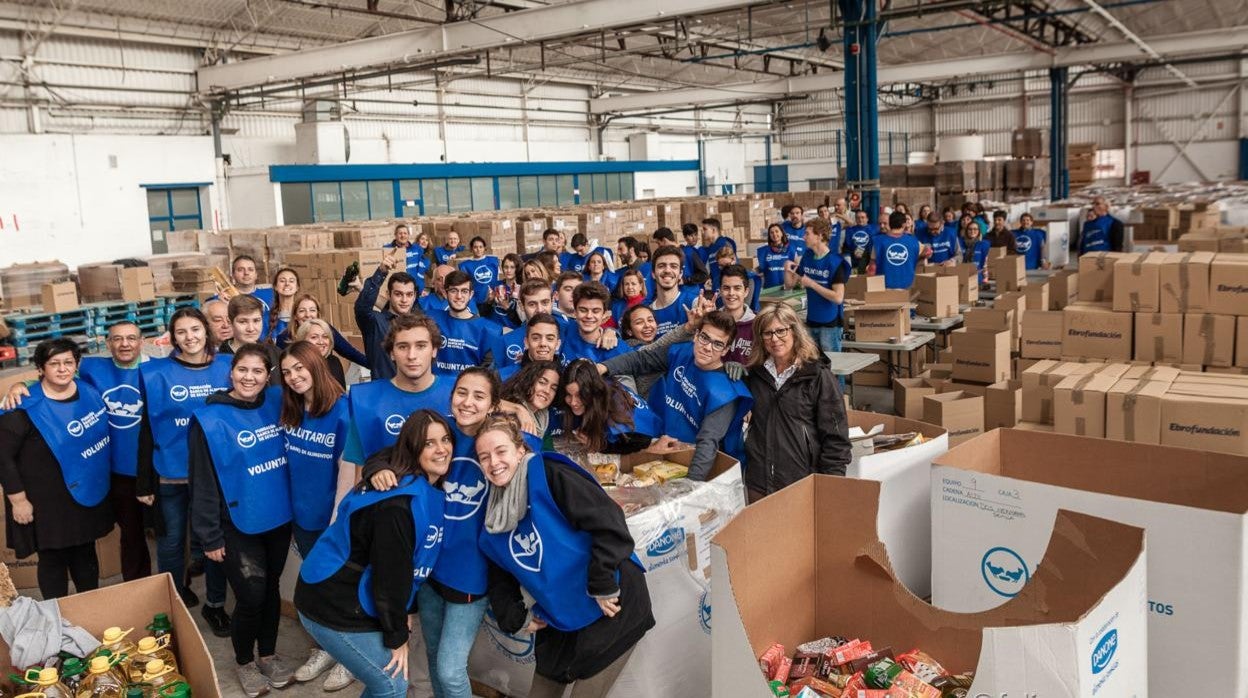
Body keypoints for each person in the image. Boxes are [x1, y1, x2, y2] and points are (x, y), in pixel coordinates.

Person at [364, 369, 539, 698]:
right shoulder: (439, 430)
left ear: (492, 405)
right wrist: (378, 469)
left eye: (478, 396)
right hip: (429, 571)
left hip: (471, 578)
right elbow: (391, 454)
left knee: (449, 668)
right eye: (462, 392)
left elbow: (536, 475)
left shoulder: (498, 440)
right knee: (432, 656)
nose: (467, 402)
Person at [476, 415, 653, 698]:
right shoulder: (492, 517)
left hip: (611, 603)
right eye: (484, 457)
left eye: (501, 451)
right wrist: (515, 617)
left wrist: (602, 583)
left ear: (520, 450)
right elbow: (499, 576)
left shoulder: (548, 473)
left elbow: (608, 521)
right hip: (560, 616)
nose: (493, 463)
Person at [296, 410, 448, 698]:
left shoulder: (416, 482)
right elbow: (391, 576)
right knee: (392, 683)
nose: (441, 449)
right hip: (332, 601)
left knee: (383, 683)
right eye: (429, 443)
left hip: (351, 593)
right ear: (413, 449)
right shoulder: (398, 506)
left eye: (445, 440)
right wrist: (397, 637)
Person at [188, 344, 295, 696]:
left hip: (277, 516)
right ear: (231, 371)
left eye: (258, 372)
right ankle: (244, 661)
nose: (249, 378)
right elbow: (202, 481)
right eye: (243, 370)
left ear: (269, 376)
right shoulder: (208, 419)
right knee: (250, 596)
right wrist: (210, 537)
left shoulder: (279, 401)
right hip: (235, 521)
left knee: (271, 590)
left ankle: (268, 654)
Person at [136, 308, 232, 631]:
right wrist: (144, 482)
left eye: (195, 329)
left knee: (214, 543)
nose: (190, 337)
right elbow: (146, 429)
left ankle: (215, 604)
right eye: (181, 332)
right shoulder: (154, 373)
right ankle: (174, 601)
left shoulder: (227, 367)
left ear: (206, 331)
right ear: (172, 337)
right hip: (171, 474)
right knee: (171, 542)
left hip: (217, 475)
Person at [0, 338, 113, 599]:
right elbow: (3, 457)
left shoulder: (89, 393)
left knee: (85, 554)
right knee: (52, 560)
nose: (62, 369)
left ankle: (90, 608)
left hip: (85, 492)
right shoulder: (21, 407)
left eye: (68, 362)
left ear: (76, 365)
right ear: (40, 368)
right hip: (45, 502)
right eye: (54, 364)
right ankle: (56, 615)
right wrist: (18, 501)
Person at [278, 341, 359, 691]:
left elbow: (351, 471)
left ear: (316, 366)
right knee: (319, 590)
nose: (294, 377)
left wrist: (337, 522)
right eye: (286, 372)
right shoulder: (292, 411)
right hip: (301, 518)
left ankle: (350, 658)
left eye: (299, 368)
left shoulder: (342, 412)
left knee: (340, 591)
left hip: (332, 522)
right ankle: (327, 648)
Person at [601, 310, 752, 479]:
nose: (707, 347)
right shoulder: (681, 352)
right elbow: (641, 360)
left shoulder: (726, 392)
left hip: (710, 468)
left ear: (725, 350)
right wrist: (603, 367)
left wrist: (690, 488)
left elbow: (707, 444)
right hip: (671, 453)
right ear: (696, 335)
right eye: (705, 338)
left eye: (718, 344)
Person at [743, 304, 851, 503]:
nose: (775, 339)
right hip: (758, 482)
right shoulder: (754, 374)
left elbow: (836, 439)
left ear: (795, 331)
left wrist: (831, 484)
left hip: (800, 481)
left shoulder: (818, 376)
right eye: (767, 333)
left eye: (781, 330)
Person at [345, 315, 454, 464]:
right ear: (391, 353)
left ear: (434, 350)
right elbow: (358, 472)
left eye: (421, 346)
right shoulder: (366, 401)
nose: (411, 356)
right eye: (403, 347)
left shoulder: (458, 394)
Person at [558, 360, 658, 455]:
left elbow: (640, 443)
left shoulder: (615, 406)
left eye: (580, 395)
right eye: (568, 394)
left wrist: (600, 446)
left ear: (593, 391)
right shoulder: (597, 393)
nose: (573, 402)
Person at [787, 218, 849, 354]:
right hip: (812, 320)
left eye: (807, 234)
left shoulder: (835, 262)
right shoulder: (807, 257)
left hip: (830, 324)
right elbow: (790, 284)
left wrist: (812, 284)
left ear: (820, 236)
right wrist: (787, 269)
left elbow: (838, 297)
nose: (803, 237)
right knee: (812, 365)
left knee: (832, 367)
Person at [354, 255, 419, 381]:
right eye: (398, 294)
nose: (404, 300)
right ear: (388, 295)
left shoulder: (420, 324)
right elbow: (362, 308)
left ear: (414, 296)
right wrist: (381, 271)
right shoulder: (375, 322)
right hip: (383, 393)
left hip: (413, 393)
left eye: (409, 294)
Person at [276, 294, 369, 370]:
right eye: (302, 311)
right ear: (295, 315)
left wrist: (376, 367)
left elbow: (350, 352)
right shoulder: (283, 338)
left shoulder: (326, 329)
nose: (308, 315)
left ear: (318, 314)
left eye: (312, 310)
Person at [426, 271, 489, 377]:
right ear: (445, 294)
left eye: (464, 291)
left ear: (471, 294)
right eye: (453, 291)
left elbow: (486, 373)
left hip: (466, 390)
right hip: (436, 389)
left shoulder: (485, 329)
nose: (459, 296)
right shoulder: (431, 318)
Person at [561, 282, 632, 365]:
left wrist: (612, 331)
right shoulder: (563, 329)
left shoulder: (619, 350)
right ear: (575, 312)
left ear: (605, 314)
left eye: (596, 311)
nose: (589, 316)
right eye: (583, 310)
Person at [218, 295, 280, 381]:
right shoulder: (218, 360)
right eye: (243, 322)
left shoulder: (276, 354)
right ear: (230, 323)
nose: (251, 328)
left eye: (256, 320)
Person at [647, 246, 702, 339]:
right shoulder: (647, 312)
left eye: (673, 266)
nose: (667, 270)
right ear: (653, 273)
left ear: (680, 274)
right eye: (661, 266)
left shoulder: (694, 303)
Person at [502, 360, 561, 445]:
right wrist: (518, 409)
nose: (547, 391)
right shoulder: (509, 416)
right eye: (542, 382)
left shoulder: (543, 418)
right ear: (528, 381)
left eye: (553, 388)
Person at [494, 313, 562, 382]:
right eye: (536, 338)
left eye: (550, 338)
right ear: (526, 342)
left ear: (558, 344)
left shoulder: (564, 381)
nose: (543, 343)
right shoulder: (502, 377)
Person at [222, 255, 276, 339]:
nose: (246, 273)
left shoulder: (271, 294)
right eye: (240, 270)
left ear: (256, 274)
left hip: (266, 345)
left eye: (250, 269)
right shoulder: (223, 298)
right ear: (232, 275)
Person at [870, 211, 922, 290]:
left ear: (890, 224)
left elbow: (872, 267)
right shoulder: (914, 241)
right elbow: (928, 252)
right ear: (904, 225)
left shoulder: (878, 241)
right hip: (908, 287)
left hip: (884, 287)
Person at [717, 264, 756, 364]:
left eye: (737, 288)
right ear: (720, 291)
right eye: (726, 288)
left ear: (746, 292)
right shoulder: (712, 321)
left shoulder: (758, 324)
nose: (731, 293)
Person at [294, 319, 347, 389]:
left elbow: (342, 394)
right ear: (302, 340)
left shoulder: (334, 361)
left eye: (325, 336)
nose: (321, 342)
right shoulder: (296, 365)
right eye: (314, 337)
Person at [458, 237, 500, 307]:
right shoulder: (465, 265)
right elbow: (464, 285)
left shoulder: (493, 261)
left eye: (481, 247)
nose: (478, 249)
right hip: (477, 300)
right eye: (475, 247)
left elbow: (498, 279)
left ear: (484, 248)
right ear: (471, 249)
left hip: (494, 298)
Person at [756, 223, 800, 289]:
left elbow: (797, 268)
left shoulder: (791, 249)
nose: (774, 234)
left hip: (787, 289)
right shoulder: (763, 250)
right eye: (771, 232)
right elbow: (761, 268)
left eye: (777, 231)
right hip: (770, 290)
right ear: (769, 235)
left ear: (782, 233)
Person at [267, 268, 300, 342]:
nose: (287, 284)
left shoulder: (304, 315)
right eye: (282, 281)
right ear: (275, 286)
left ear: (297, 287)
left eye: (291, 281)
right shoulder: (266, 317)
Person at [960, 220, 993, 285]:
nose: (972, 231)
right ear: (966, 231)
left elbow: (984, 263)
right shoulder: (960, 243)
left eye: (975, 229)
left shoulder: (983, 245)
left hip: (977, 278)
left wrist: (985, 278)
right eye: (970, 229)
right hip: (962, 277)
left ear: (978, 231)